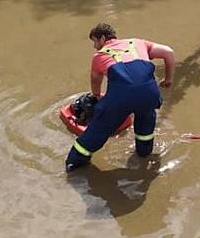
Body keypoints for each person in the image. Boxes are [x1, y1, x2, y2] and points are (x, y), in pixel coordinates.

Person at [65, 23, 175, 172]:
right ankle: (144, 155)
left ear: (103, 38)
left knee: (99, 128)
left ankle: (74, 163)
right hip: (150, 94)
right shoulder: (137, 43)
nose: (94, 46)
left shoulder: (100, 55)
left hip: (122, 98)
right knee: (146, 120)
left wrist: (97, 97)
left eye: (95, 41)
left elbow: (95, 81)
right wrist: (168, 79)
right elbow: (169, 52)